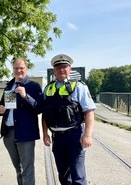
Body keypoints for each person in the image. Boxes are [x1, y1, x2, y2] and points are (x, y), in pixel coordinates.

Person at [41, 54, 96, 185]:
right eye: (58, 67)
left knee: (78, 176)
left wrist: (87, 135)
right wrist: (45, 134)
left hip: (74, 136)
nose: (61, 69)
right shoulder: (48, 89)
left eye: (64, 67)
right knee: (63, 176)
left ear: (70, 68)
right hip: (57, 138)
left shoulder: (78, 87)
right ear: (54, 70)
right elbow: (45, 114)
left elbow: (89, 112)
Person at [0, 58, 43, 185]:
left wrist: (25, 96)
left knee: (27, 169)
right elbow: (2, 105)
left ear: (26, 69)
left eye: (21, 68)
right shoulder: (9, 86)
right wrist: (0, 109)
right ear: (13, 70)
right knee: (18, 169)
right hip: (9, 133)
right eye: (16, 68)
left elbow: (39, 108)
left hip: (25, 133)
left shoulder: (33, 86)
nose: (19, 70)